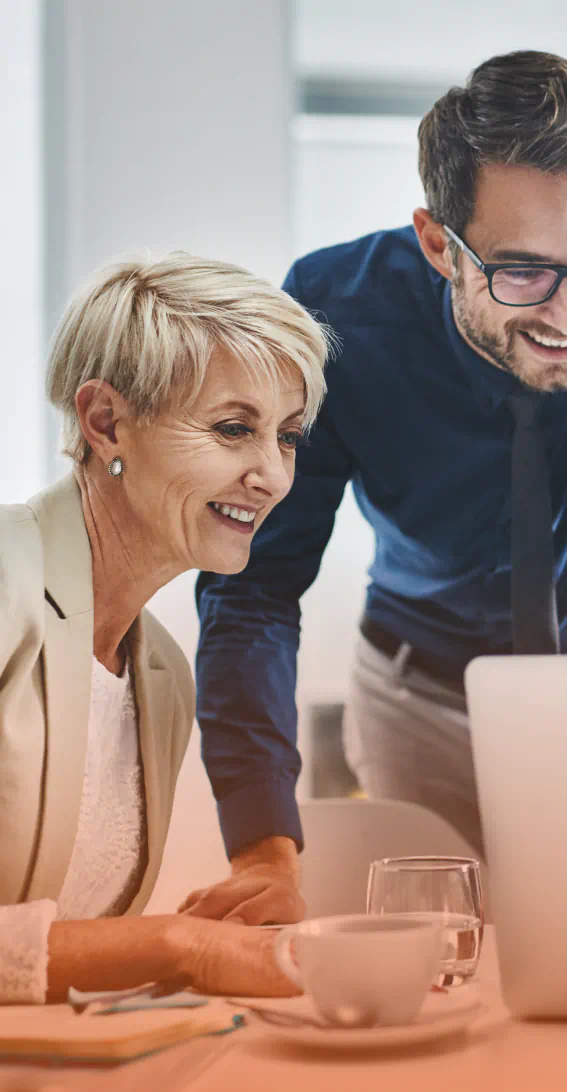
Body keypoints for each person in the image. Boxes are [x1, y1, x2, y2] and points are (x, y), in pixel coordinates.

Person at [195, 50, 567, 866]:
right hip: (417, 699)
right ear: (440, 245)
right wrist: (260, 835)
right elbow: (254, 580)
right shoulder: (334, 314)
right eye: (524, 271)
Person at [0, 252, 329, 1002]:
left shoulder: (162, 676)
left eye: (287, 436)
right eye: (234, 428)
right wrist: (181, 946)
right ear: (106, 422)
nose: (274, 477)